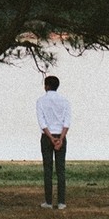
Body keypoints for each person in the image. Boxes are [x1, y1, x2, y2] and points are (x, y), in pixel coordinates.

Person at [36, 75, 71, 210]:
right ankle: (61, 202)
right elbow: (67, 122)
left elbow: (42, 122)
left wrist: (51, 138)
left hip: (47, 137)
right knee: (61, 169)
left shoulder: (40, 101)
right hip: (61, 135)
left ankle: (49, 202)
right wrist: (60, 139)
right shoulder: (65, 101)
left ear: (46, 86)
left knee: (48, 169)